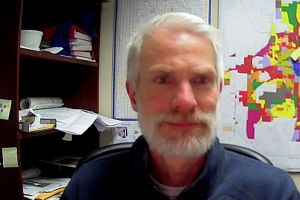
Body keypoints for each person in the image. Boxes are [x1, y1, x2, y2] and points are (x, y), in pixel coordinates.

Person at [61, 12, 300, 200]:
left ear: (218, 91)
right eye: (163, 79)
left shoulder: (275, 193)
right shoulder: (87, 188)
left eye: (201, 80)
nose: (185, 101)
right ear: (134, 95)